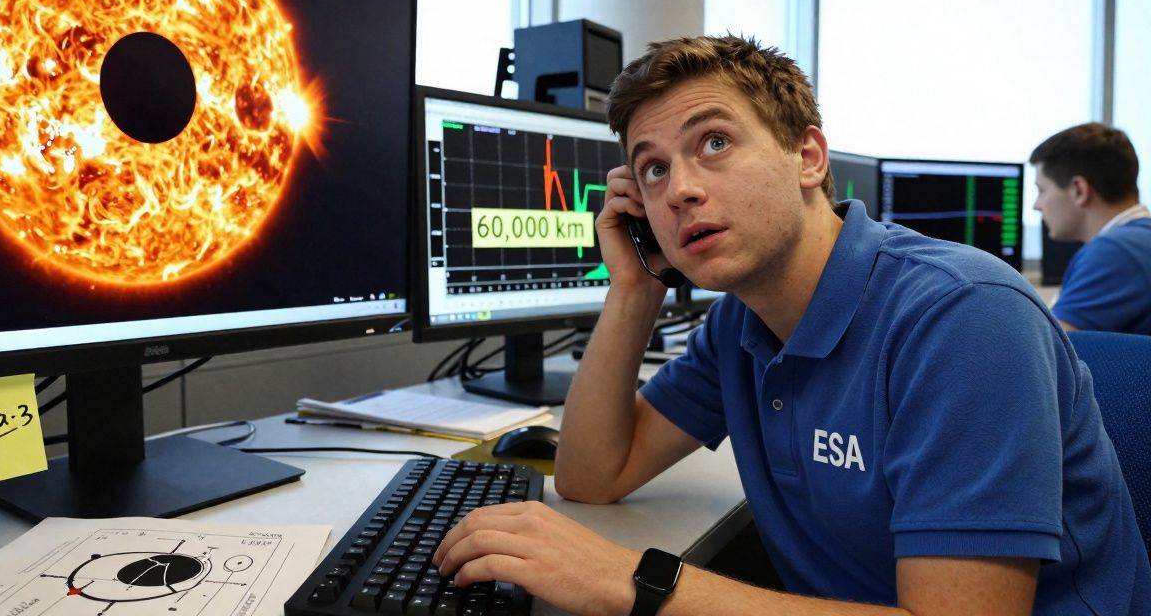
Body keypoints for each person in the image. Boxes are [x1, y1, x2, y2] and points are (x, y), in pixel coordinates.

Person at [433, 35, 1151, 615]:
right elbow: (593, 475)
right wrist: (634, 289)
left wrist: (632, 581)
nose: (679, 187)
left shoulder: (963, 318)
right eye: (650, 169)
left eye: (713, 142)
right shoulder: (741, 324)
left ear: (808, 157)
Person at [1030, 123, 1151, 334]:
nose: (1036, 205)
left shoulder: (1115, 252)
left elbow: (1047, 352)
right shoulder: (1138, 241)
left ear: (1079, 190)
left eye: (1042, 190)